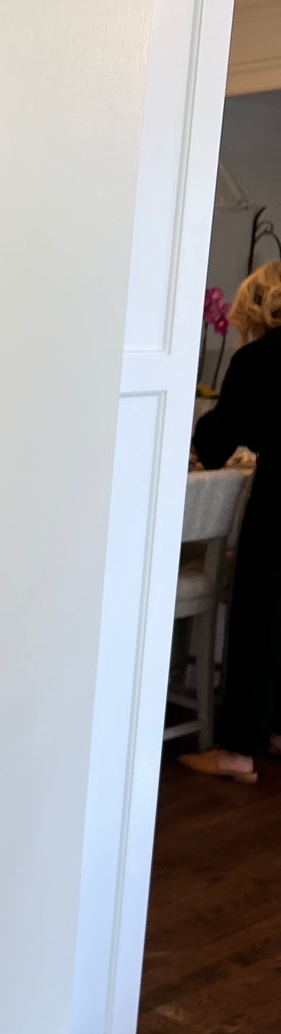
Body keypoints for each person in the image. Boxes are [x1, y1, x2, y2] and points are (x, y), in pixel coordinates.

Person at [178, 260, 281, 784]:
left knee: (258, 616)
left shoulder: (256, 360)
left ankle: (238, 750)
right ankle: (275, 731)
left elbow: (217, 442)